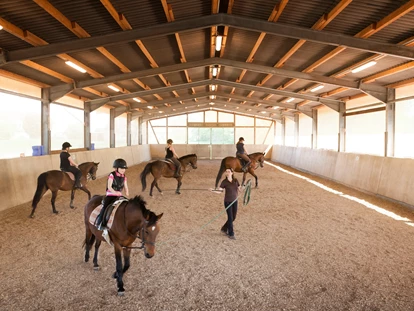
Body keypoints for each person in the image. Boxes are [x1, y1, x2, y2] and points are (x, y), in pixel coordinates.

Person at [96, 158, 129, 230]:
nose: (123, 170)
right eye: (121, 168)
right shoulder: (112, 175)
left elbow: (125, 185)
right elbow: (109, 186)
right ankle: (100, 223)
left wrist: (127, 191)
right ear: (116, 168)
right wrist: (115, 192)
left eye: (124, 168)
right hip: (110, 194)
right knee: (105, 206)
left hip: (119, 195)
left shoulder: (124, 177)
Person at [211, 168, 243, 240]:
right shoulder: (224, 182)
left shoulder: (235, 180)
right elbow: (220, 191)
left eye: (229, 171)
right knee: (230, 217)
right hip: (227, 202)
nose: (227, 173)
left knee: (233, 217)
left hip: (235, 201)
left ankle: (224, 228)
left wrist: (245, 187)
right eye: (226, 171)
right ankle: (231, 233)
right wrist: (212, 190)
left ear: (232, 173)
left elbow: (239, 189)